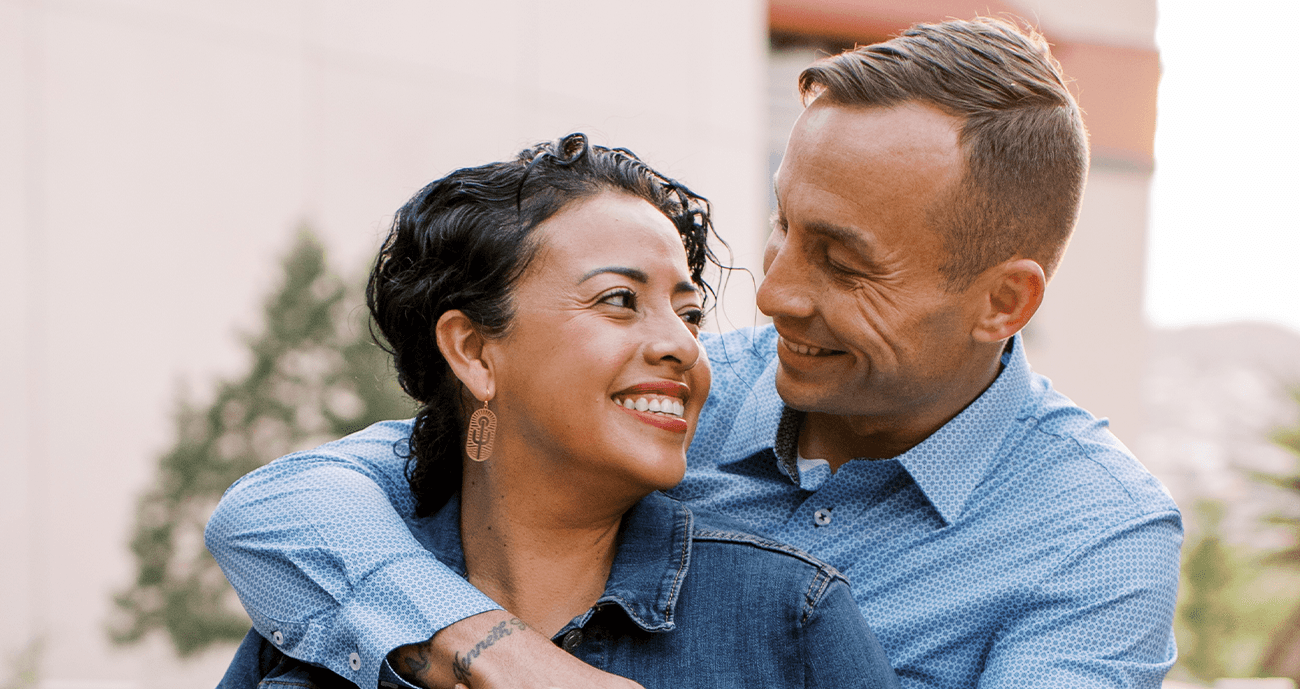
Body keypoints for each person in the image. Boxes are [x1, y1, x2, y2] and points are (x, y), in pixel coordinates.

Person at [207, 17, 1182, 689]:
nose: (770, 291)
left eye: (841, 261)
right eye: (784, 228)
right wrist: (487, 648)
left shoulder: (1096, 539)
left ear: (1000, 300)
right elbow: (282, 503)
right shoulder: (670, 397)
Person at [213, 134, 900, 689]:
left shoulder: (786, 618)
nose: (682, 346)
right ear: (475, 351)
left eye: (689, 315)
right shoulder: (327, 619)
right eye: (619, 301)